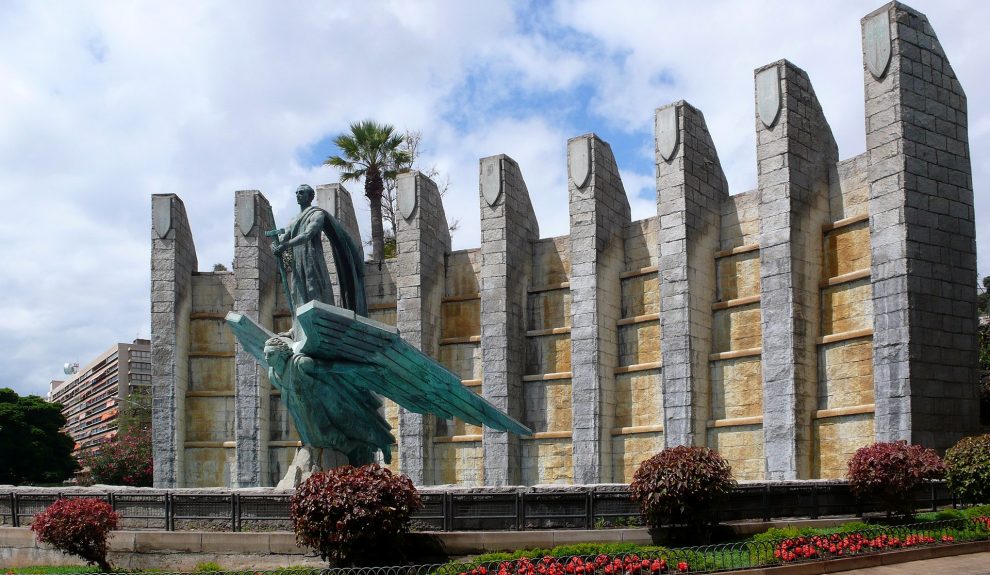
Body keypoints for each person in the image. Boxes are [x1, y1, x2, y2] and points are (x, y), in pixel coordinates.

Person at [273, 184, 334, 309]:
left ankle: (318, 316)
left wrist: (286, 245)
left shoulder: (316, 214)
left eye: (301, 192)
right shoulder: (292, 220)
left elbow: (307, 234)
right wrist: (275, 246)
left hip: (312, 257)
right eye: (296, 193)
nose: (297, 195)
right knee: (296, 290)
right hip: (297, 260)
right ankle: (298, 323)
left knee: (313, 287)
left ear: (310, 196)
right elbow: (282, 238)